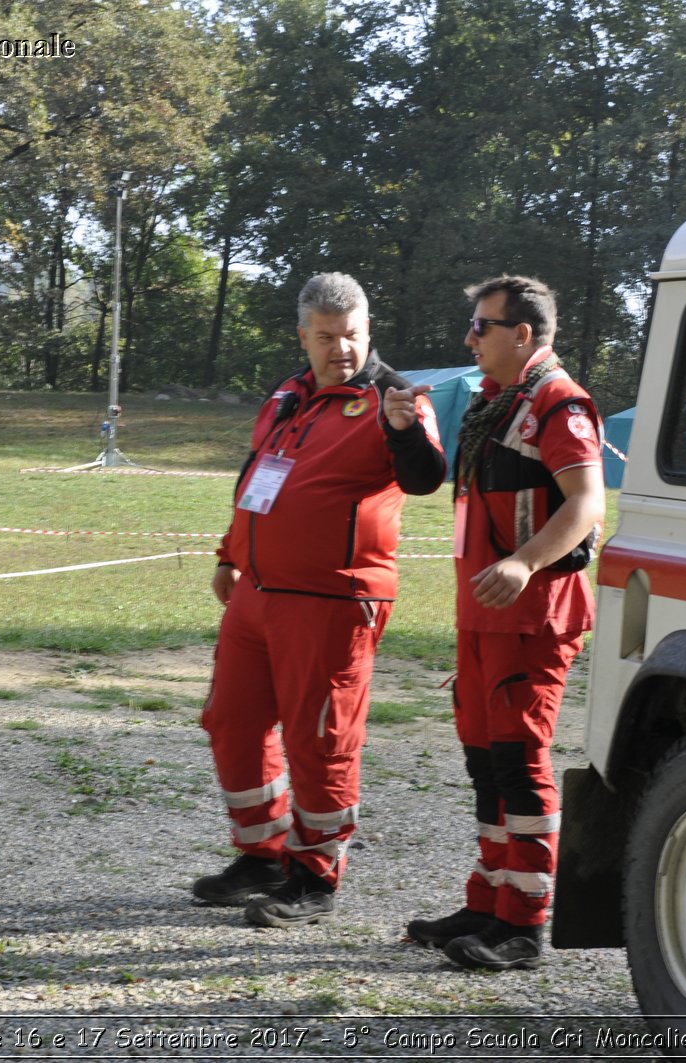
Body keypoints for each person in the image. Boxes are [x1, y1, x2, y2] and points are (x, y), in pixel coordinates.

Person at [194, 272, 444, 928]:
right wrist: (229, 551)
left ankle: (314, 875)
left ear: (369, 330)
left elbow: (424, 478)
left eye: (353, 335)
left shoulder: (395, 396)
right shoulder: (287, 394)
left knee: (321, 738)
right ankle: (262, 853)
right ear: (303, 336)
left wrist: (406, 432)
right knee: (232, 719)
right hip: (258, 592)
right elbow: (256, 473)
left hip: (333, 599)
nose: (342, 348)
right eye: (327, 337)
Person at [406, 275, 605, 971]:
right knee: (485, 762)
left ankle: (523, 923)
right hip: (486, 614)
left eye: (482, 325)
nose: (469, 336)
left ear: (523, 334)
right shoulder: (500, 402)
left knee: (520, 762)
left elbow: (585, 502)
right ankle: (488, 900)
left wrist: (523, 562)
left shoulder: (557, 401)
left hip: (532, 615)